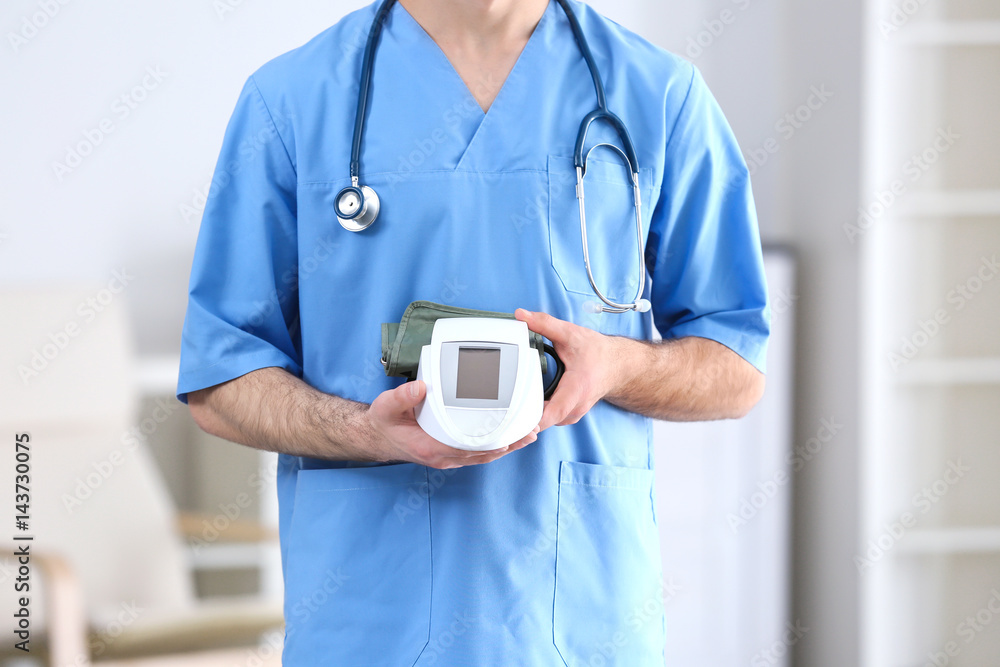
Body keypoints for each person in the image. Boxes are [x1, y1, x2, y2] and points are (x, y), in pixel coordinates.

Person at [177, 0, 769, 663]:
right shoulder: (291, 101)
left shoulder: (657, 95)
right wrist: (363, 431)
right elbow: (220, 377)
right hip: (370, 620)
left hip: (580, 620)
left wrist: (618, 366)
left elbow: (735, 364)